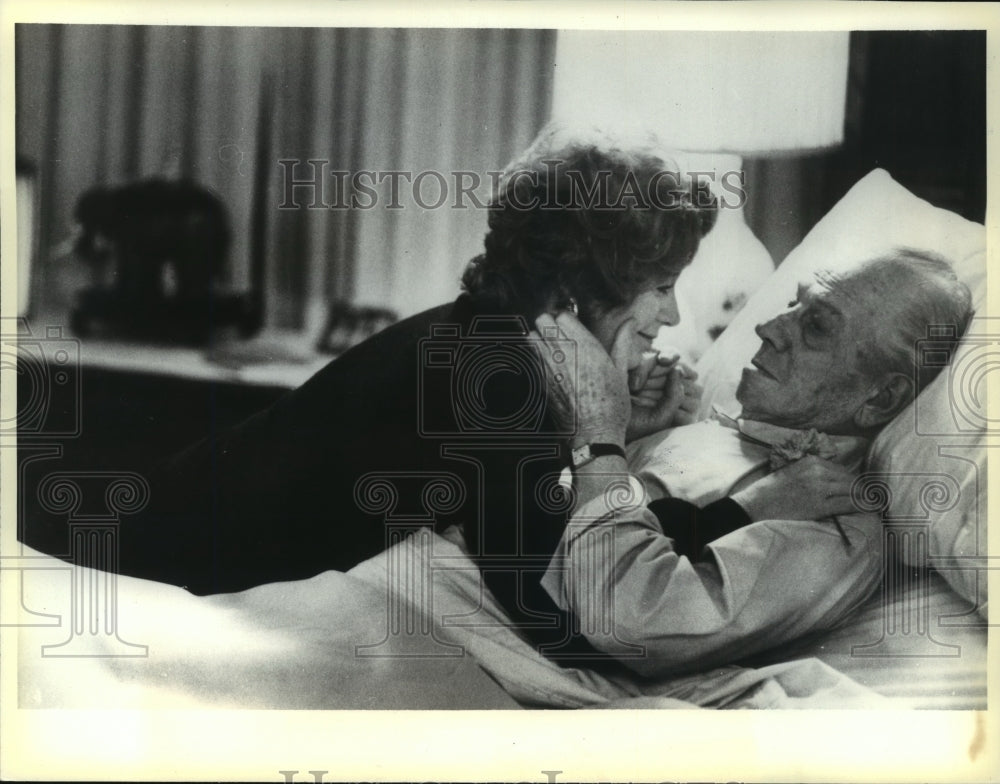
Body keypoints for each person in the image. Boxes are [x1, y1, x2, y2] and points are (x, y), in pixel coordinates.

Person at [48, 125, 854, 663]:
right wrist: (750, 510)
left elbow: (542, 526)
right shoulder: (496, 381)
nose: (672, 315)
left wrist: (600, 426)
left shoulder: (486, 339)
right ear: (579, 291)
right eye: (660, 286)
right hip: (117, 560)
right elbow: (562, 618)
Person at [536, 250, 973, 676]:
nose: (767, 327)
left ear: (879, 399)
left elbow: (626, 619)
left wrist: (600, 434)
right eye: (791, 305)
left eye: (816, 326)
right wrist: (635, 434)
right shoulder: (723, 432)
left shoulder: (829, 521)